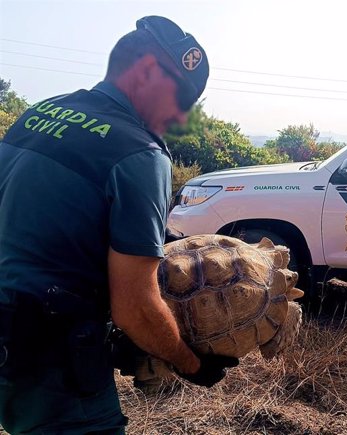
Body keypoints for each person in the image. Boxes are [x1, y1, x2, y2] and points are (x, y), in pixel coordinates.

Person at [0, 16, 237, 434]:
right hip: (49, 357)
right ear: (145, 71)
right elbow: (136, 310)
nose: (181, 117)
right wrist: (192, 364)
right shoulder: (140, 154)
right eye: (180, 98)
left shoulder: (39, 113)